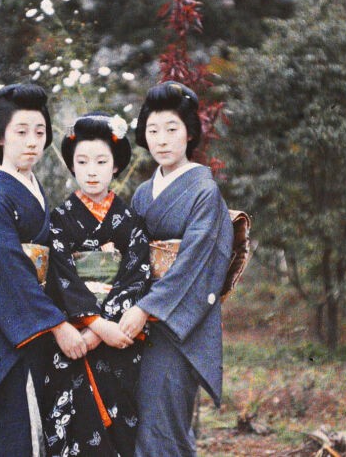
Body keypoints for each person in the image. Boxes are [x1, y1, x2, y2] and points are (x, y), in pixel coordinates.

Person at [0, 83, 88, 456]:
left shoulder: (31, 189)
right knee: (10, 426)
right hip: (6, 329)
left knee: (32, 427)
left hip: (30, 323)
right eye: (21, 132)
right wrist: (57, 325)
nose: (32, 142)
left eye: (40, 132)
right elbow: (7, 271)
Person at [118, 81, 234, 456]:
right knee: (141, 423)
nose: (161, 139)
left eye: (171, 129)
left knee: (164, 426)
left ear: (189, 133)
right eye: (153, 130)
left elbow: (194, 264)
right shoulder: (141, 194)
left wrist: (146, 309)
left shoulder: (204, 192)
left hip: (177, 325)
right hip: (137, 324)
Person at [42, 112, 152, 457]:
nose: (92, 170)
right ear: (72, 166)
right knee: (70, 424)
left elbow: (137, 275)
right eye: (83, 161)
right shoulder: (59, 220)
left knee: (121, 427)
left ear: (115, 166)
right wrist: (94, 325)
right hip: (74, 335)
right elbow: (60, 276)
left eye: (101, 161)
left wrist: (101, 329)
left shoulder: (131, 222)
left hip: (118, 335)